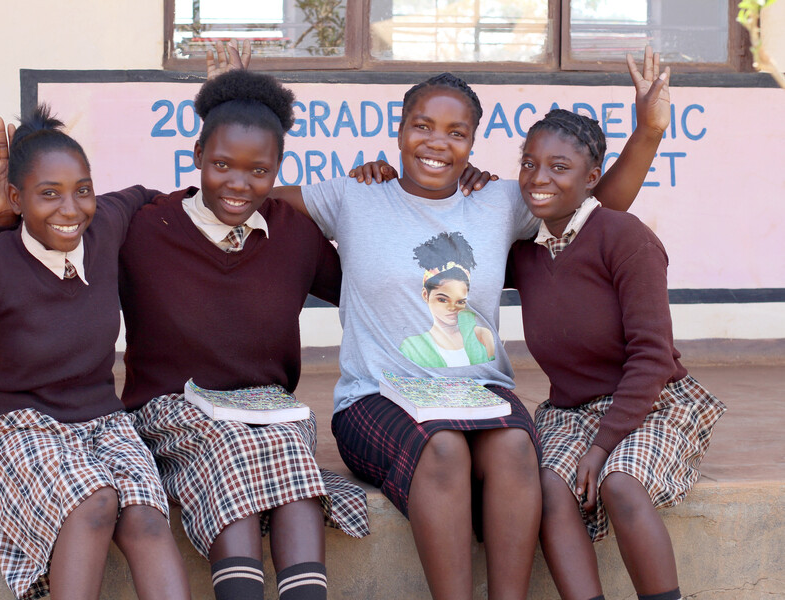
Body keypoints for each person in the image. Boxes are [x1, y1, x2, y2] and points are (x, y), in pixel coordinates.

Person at [260, 48, 672, 600]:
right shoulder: (353, 195)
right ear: (400, 130)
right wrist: (236, 106)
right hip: (375, 397)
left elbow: (594, 205)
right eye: (423, 126)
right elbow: (248, 197)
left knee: (514, 450)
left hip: (480, 392)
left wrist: (647, 132)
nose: (438, 142)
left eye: (457, 132)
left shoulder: (499, 200)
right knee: (446, 449)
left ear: (473, 143)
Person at [0, 53, 370, 600]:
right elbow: (35, 274)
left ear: (279, 171)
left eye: (260, 171)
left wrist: (388, 198)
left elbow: (375, 290)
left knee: (283, 443)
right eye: (221, 165)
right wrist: (5, 218)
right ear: (196, 158)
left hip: (267, 410)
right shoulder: (145, 226)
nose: (239, 183)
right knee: (234, 445)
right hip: (171, 411)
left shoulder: (295, 235)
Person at [0, 109, 191, 600]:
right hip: (15, 425)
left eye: (82, 190)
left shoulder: (104, 226)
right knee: (94, 502)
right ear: (15, 198)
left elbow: (145, 197)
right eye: (48, 193)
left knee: (146, 518)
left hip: (105, 422)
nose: (71, 209)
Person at [507, 109, 726, 600]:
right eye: (528, 163)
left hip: (651, 402)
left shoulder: (625, 238)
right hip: (569, 412)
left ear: (591, 179)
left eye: (558, 167)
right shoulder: (525, 252)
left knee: (620, 483)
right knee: (548, 488)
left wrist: (603, 446)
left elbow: (651, 357)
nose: (538, 177)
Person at [399, 231, 496, 368]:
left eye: (460, 301)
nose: (452, 308)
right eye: (442, 300)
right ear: (425, 295)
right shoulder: (411, 346)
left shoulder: (482, 336)